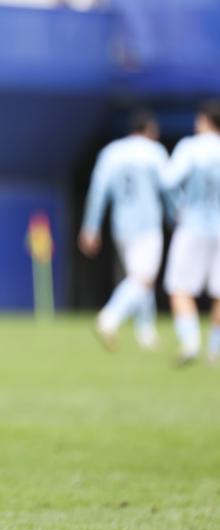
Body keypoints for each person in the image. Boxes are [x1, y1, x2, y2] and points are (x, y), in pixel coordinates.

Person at [77, 109, 168, 351]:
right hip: (148, 224)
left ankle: (146, 332)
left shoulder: (112, 152)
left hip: (122, 226)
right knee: (143, 278)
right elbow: (168, 186)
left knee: (138, 278)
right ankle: (109, 318)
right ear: (150, 130)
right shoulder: (154, 152)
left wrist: (90, 227)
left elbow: (98, 191)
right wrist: (176, 213)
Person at [162, 101, 220, 366]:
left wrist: (177, 208)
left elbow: (168, 181)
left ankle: (190, 341)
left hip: (193, 225)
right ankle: (215, 349)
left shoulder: (190, 147)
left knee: (179, 287)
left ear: (204, 120)